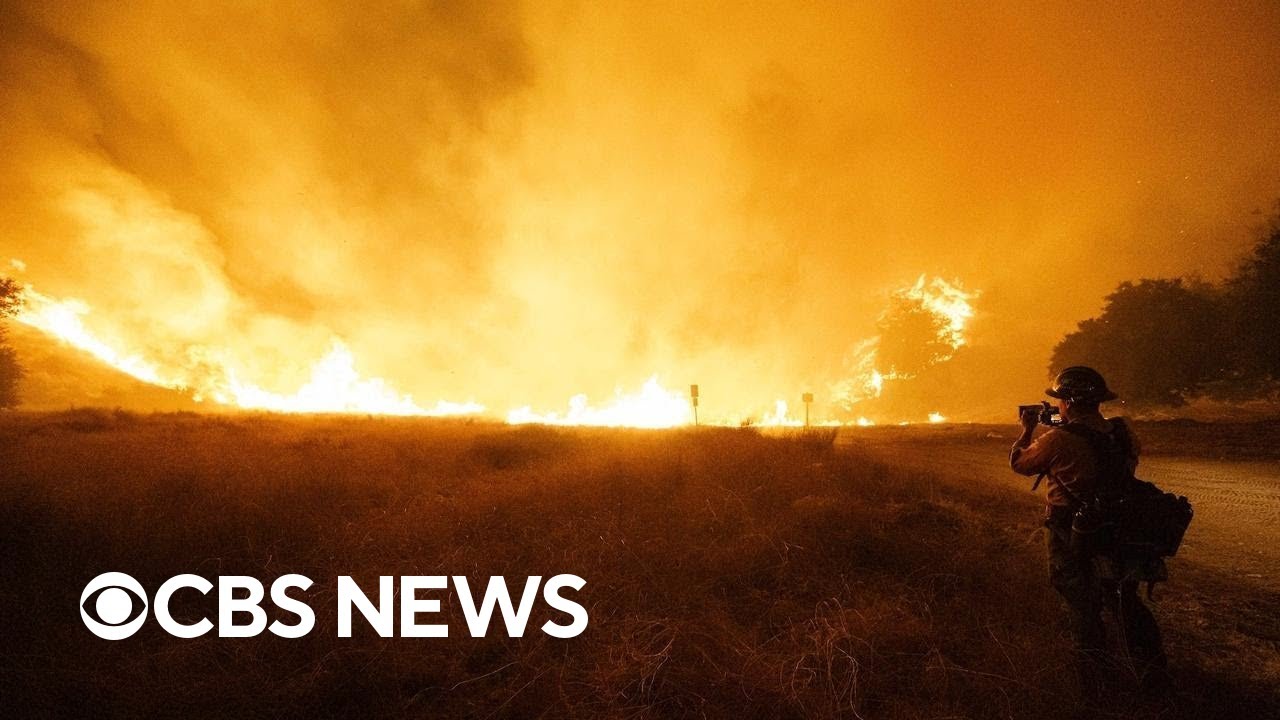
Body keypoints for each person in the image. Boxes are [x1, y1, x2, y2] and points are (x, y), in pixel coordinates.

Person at [1010, 366, 1167, 692]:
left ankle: (1096, 683)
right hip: (1118, 525)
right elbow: (1092, 435)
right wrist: (1055, 423)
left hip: (1071, 528)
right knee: (1123, 597)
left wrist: (1027, 430)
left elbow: (1021, 464)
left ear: (1068, 401)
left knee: (1081, 602)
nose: (1058, 407)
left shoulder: (1057, 439)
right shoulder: (1122, 432)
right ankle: (1153, 673)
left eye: (1061, 401)